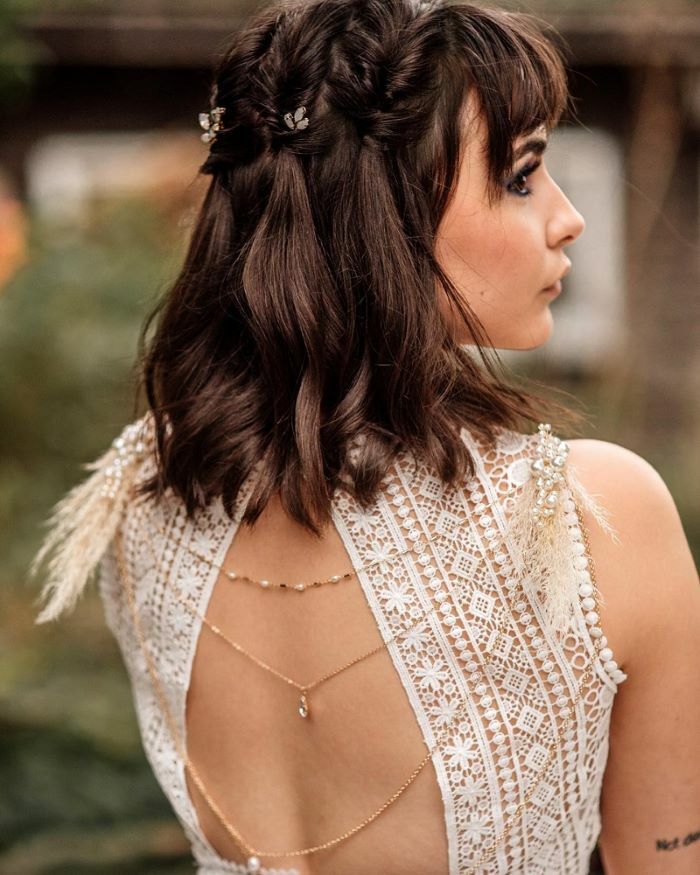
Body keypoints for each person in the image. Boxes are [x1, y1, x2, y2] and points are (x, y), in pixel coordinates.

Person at [29, 1, 700, 873]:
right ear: (386, 214)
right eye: (523, 175)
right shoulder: (594, 517)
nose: (568, 217)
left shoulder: (138, 504)